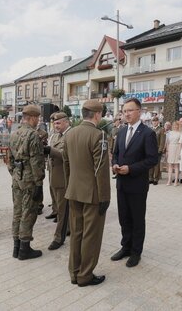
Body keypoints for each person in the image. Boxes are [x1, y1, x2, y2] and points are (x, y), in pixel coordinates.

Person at [63, 99, 110, 287]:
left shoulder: (70, 134)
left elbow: (66, 164)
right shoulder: (99, 135)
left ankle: (74, 272)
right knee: (91, 235)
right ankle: (85, 275)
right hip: (93, 195)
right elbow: (101, 169)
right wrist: (105, 196)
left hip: (73, 191)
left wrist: (70, 187)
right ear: (97, 114)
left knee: (76, 233)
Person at [111, 97, 158, 268]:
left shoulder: (148, 133)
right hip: (121, 183)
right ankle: (126, 247)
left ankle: (136, 252)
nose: (127, 113)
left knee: (137, 219)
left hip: (137, 184)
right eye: (124, 111)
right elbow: (115, 153)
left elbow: (152, 159)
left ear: (139, 111)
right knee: (124, 218)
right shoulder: (121, 131)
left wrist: (131, 169)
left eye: (130, 110)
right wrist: (114, 164)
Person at [8, 105, 45, 260]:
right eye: (37, 118)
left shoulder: (15, 133)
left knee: (17, 211)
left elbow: (9, 159)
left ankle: (16, 247)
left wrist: (15, 173)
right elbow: (36, 162)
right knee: (28, 212)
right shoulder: (33, 135)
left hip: (17, 177)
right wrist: (39, 183)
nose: (38, 121)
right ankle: (24, 249)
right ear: (32, 117)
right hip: (29, 179)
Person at [44, 112, 71, 251]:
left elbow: (64, 155)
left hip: (64, 178)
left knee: (63, 209)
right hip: (54, 176)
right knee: (61, 207)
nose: (56, 126)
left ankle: (59, 237)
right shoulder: (54, 135)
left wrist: (49, 150)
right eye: (54, 124)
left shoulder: (70, 135)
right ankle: (69, 228)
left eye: (58, 123)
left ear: (66, 122)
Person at [149, 116, 166, 185]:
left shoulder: (161, 129)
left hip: (157, 149)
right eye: (153, 121)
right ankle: (150, 178)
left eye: (156, 121)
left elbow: (162, 141)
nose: (154, 122)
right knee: (150, 164)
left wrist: (160, 150)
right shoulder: (150, 129)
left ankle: (156, 179)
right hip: (150, 149)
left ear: (158, 122)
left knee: (156, 165)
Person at [165, 121, 181, 186]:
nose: (175, 126)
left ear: (178, 126)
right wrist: (167, 151)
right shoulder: (169, 133)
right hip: (170, 148)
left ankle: (176, 181)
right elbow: (167, 142)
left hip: (177, 148)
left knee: (176, 165)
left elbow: (180, 143)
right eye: (174, 125)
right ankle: (169, 180)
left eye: (176, 125)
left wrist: (180, 152)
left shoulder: (180, 133)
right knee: (170, 165)